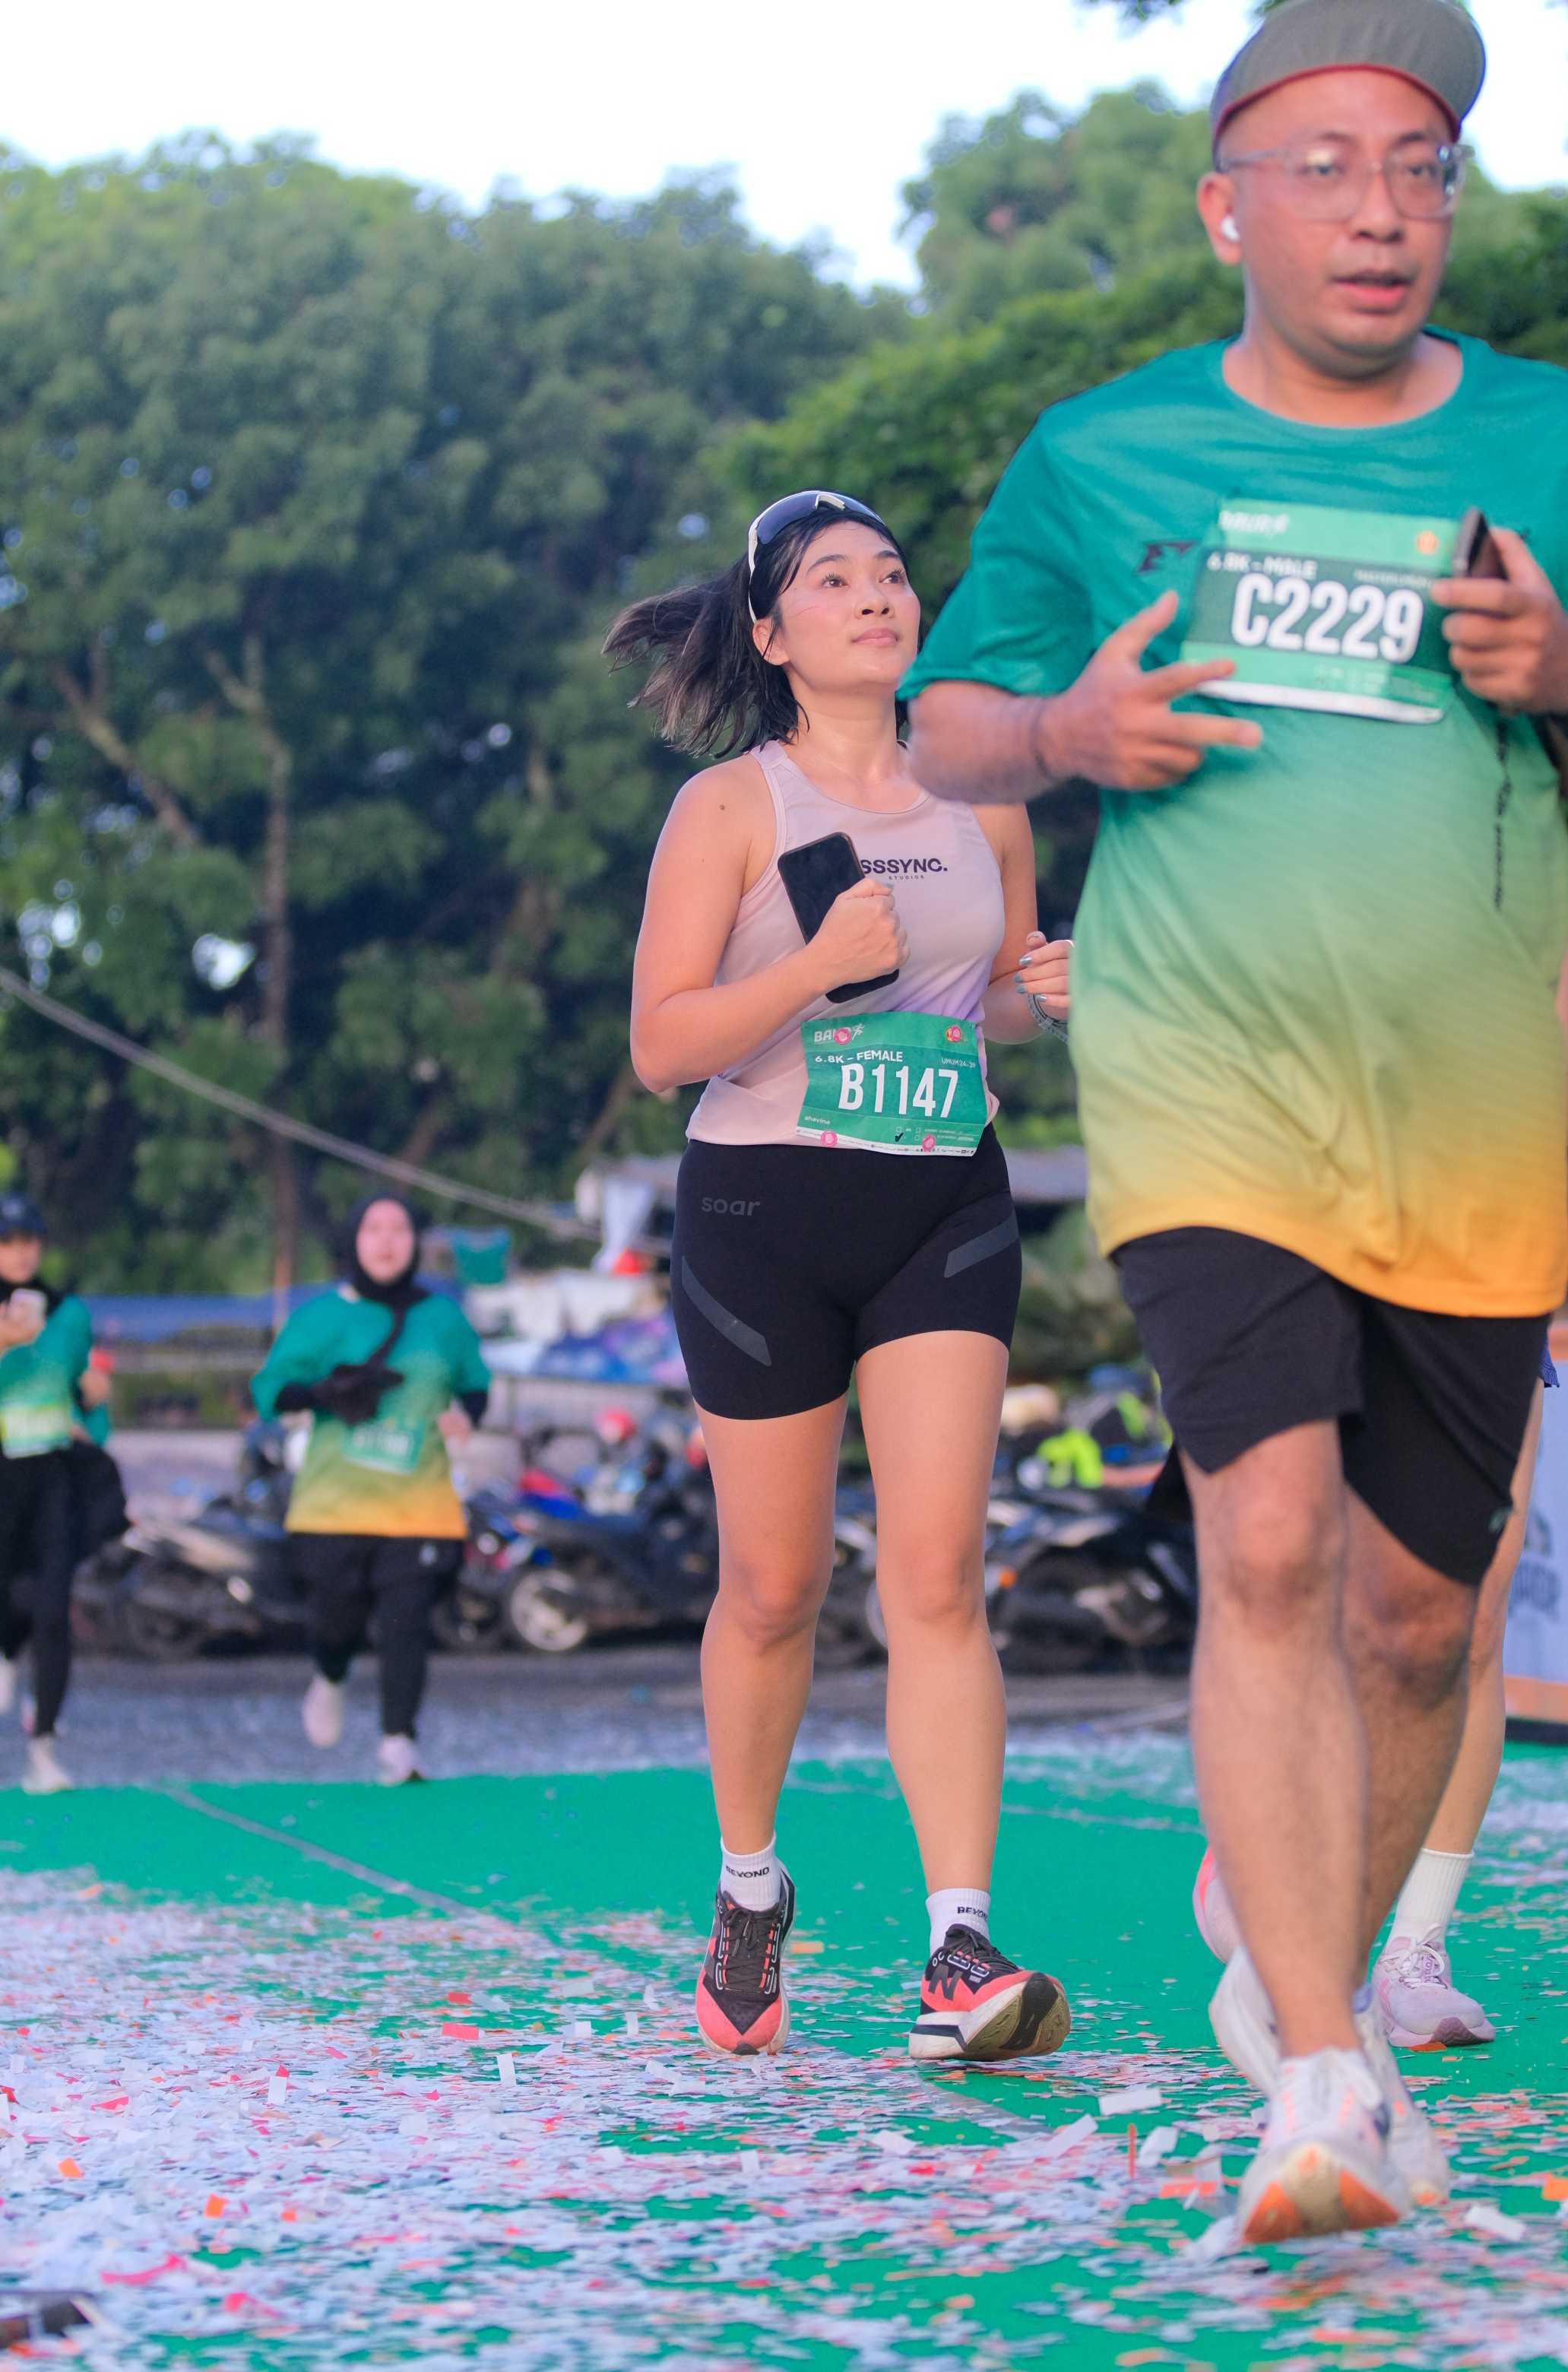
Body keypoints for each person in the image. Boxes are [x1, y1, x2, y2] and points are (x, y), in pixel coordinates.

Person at [899, 0, 1568, 2239]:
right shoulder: (1104, 456)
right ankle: (1313, 2063)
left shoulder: (1554, 436)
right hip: (1209, 1067)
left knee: (1418, 1619)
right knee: (1270, 1540)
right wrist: (1070, 729)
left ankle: (1313, 1977)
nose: (1382, 211)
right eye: (1326, 167)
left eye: (1420, 168)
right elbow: (948, 720)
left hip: (1470, 1099)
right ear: (1226, 208)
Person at [612, 487, 1072, 2062]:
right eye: (832, 581)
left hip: (942, 1201)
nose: (876, 596)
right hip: (764, 1216)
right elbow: (661, 1043)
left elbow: (987, 999)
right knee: (774, 1588)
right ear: (769, 632)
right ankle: (751, 1885)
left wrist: (1039, 990)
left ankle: (958, 1947)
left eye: (890, 573)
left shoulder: (980, 799)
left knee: (937, 1575)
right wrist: (812, 967)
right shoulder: (729, 810)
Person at [1196, 949, 1568, 2051]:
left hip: (1484, 1266)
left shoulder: (1527, 901)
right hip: (1312, 1255)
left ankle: (1415, 1943)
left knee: (1469, 1617)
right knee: (1315, 1591)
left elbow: (1542, 1109)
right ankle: (1270, 1849)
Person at [252, 1194, 491, 1784]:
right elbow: (270, 1390)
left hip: (421, 1505)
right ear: (354, 1241)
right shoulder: (320, 1316)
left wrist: (466, 1414)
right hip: (334, 1506)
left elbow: (474, 1383)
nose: (387, 1241)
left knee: (407, 1623)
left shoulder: (444, 1318)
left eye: (399, 1229)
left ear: (416, 1243)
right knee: (338, 1622)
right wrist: (322, 1394)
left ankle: (398, 1743)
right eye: (374, 1229)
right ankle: (329, 1675)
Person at [0, 1189, 103, 1793]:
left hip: (53, 1476)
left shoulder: (70, 1315)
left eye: (29, 1241)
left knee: (53, 1609)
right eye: (7, 1242)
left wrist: (93, 1410)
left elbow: (85, 1391)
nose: (20, 1253)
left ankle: (43, 1749)